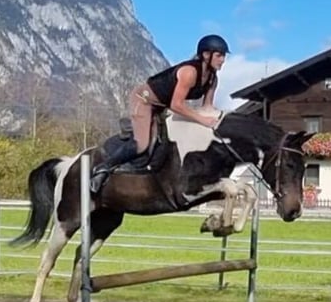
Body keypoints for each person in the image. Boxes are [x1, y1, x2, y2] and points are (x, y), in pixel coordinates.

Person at [89, 34, 230, 193]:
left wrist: (222, 121)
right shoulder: (189, 73)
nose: (223, 60)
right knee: (142, 145)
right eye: (219, 55)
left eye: (224, 56)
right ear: (206, 54)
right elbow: (176, 105)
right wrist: (203, 120)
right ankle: (102, 169)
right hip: (143, 100)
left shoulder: (212, 79)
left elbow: (207, 108)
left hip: (161, 107)